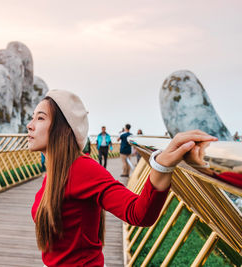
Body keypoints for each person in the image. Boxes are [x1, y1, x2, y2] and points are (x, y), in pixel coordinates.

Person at [27, 89, 216, 266]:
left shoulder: (82, 169)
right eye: (32, 118)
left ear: (63, 129)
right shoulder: (56, 171)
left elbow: (138, 212)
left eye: (40, 118)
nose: (30, 125)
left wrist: (162, 165)